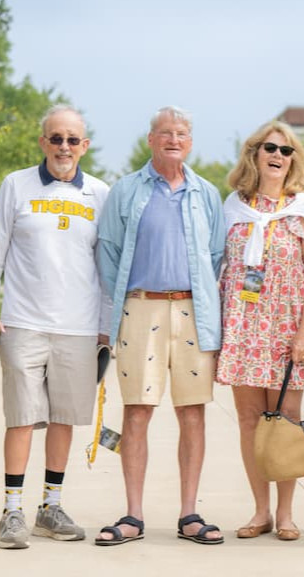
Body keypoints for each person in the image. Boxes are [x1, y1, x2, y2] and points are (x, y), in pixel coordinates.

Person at [0, 105, 110, 549]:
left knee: (63, 418)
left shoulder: (100, 194)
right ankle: (12, 511)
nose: (64, 147)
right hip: (21, 324)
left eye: (73, 140)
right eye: (56, 138)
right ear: (43, 142)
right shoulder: (16, 184)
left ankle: (50, 508)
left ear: (84, 146)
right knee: (21, 418)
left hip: (79, 327)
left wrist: (106, 327)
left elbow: (105, 267)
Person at [94, 106, 226, 546]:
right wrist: (131, 298)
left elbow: (214, 256)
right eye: (165, 132)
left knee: (192, 412)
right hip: (141, 309)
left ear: (190, 142)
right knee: (137, 411)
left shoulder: (205, 192)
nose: (174, 138)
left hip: (191, 312)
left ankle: (190, 514)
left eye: (182, 133)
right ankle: (133, 515)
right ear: (151, 139)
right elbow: (108, 252)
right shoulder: (127, 190)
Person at [216, 121, 304, 542]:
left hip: (286, 331)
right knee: (249, 422)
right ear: (254, 153)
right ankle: (260, 511)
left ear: (293, 160)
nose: (278, 156)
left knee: (285, 421)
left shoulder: (302, 209)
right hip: (244, 331)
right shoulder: (232, 206)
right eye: (271, 148)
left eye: (286, 151)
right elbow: (219, 268)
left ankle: (286, 514)